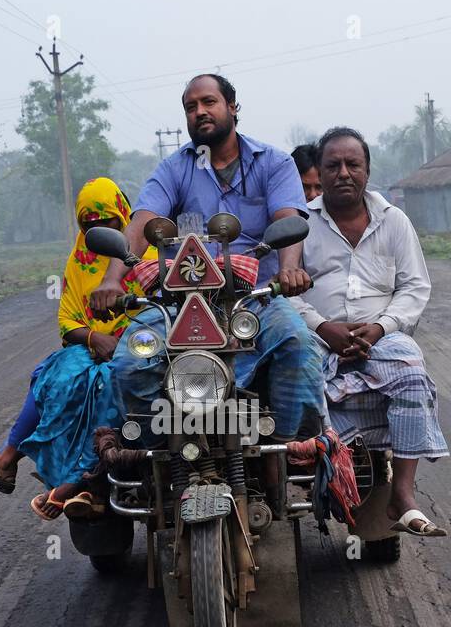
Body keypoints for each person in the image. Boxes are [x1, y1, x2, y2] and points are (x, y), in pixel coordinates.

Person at [90, 74, 325, 446]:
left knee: (298, 344)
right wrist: (111, 280)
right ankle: (159, 462)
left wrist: (289, 269)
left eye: (208, 102)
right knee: (130, 362)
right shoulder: (174, 169)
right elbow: (141, 223)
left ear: (232, 107)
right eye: (190, 107)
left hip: (255, 300)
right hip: (177, 305)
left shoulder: (274, 163)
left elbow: (288, 221)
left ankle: (287, 452)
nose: (199, 111)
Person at [0, 177, 154, 520]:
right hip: (91, 343)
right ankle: (8, 462)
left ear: (122, 217)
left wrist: (123, 338)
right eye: (89, 225)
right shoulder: (79, 258)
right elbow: (67, 319)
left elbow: (164, 310)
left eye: (106, 223)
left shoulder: (148, 255)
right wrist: (95, 338)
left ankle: (77, 482)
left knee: (108, 383)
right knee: (53, 377)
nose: (98, 232)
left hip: (138, 344)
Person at [289, 127, 449, 537]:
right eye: (333, 165)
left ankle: (403, 493)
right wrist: (326, 328)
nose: (343, 173)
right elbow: (285, 294)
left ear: (367, 170)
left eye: (352, 164)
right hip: (318, 340)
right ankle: (323, 477)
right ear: (319, 174)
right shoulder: (299, 224)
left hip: (382, 337)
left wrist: (379, 328)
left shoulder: (395, 222)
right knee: (291, 392)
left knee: (412, 371)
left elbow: (415, 288)